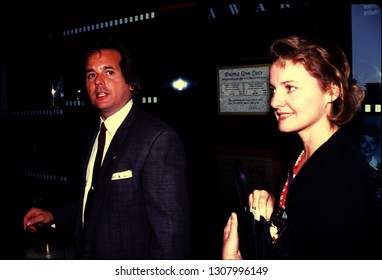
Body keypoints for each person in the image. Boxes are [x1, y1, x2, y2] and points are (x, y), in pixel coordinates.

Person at [23, 38, 191, 259]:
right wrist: (54, 215)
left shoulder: (157, 139)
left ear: (130, 82)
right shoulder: (94, 134)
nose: (98, 82)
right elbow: (96, 202)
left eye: (109, 72)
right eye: (91, 75)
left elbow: (171, 234)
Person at [222, 35, 379, 260]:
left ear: (331, 91)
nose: (274, 102)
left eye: (290, 88)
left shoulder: (343, 176)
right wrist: (275, 212)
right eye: (274, 89)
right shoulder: (304, 154)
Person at [358, 122, 381, 216]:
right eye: (364, 142)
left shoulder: (379, 169)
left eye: (372, 143)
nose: (368, 147)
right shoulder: (350, 165)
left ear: (377, 145)